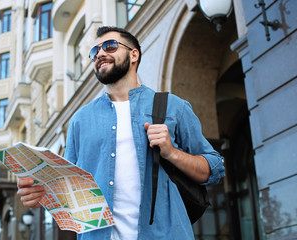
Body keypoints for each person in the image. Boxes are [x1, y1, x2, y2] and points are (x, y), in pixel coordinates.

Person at [17, 26, 225, 240]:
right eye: (94, 51)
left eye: (110, 46)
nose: (100, 53)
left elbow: (215, 169)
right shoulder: (80, 120)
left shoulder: (173, 107)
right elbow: (69, 190)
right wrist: (42, 193)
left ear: (134, 54)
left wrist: (172, 152)